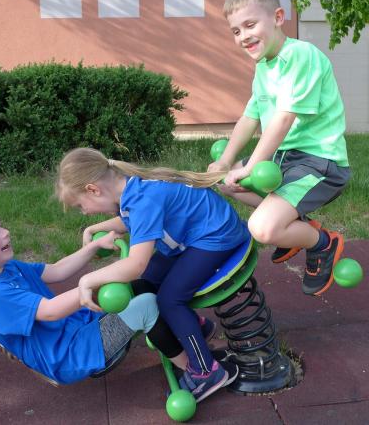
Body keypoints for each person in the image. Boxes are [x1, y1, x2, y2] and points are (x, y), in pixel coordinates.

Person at [56, 147, 244, 403]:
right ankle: (197, 327)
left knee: (169, 300)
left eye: (80, 205)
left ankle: (206, 372)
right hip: (196, 234)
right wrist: (94, 228)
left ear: (93, 189)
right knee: (144, 283)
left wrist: (87, 280)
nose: (84, 211)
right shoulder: (130, 190)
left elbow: (135, 264)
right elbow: (130, 220)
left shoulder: (142, 200)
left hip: (216, 235)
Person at [0, 200, 190, 385]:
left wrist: (93, 247)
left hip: (80, 329)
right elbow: (50, 311)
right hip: (72, 355)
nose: (5, 232)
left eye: (0, 226)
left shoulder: (5, 268)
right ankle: (195, 372)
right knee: (146, 305)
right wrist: (90, 283)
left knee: (140, 286)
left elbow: (56, 270)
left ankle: (188, 331)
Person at [209, 0, 351, 297]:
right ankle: (294, 225)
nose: (243, 36)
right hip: (285, 158)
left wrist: (251, 166)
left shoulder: (300, 55)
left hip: (319, 162)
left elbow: (284, 118)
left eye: (250, 25)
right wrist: (225, 161)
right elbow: (250, 117)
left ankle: (322, 243)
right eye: (236, 31)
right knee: (225, 182)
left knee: (262, 229)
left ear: (277, 17)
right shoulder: (264, 67)